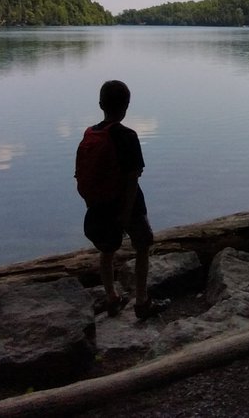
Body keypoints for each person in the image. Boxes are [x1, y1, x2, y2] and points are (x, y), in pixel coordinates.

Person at [76, 80, 168, 319]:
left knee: (107, 251)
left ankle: (112, 297)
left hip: (99, 205)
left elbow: (81, 174)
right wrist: (126, 213)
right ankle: (142, 300)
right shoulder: (127, 135)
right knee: (143, 247)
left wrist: (91, 203)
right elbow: (132, 178)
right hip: (128, 205)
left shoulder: (91, 134)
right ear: (127, 106)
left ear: (100, 105)